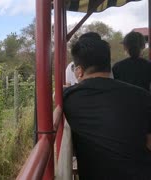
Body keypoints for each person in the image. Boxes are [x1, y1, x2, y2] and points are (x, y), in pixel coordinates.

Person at [56, 38, 151, 180]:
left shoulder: (69, 98)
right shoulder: (143, 96)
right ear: (108, 65)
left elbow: (54, 97)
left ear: (79, 71)